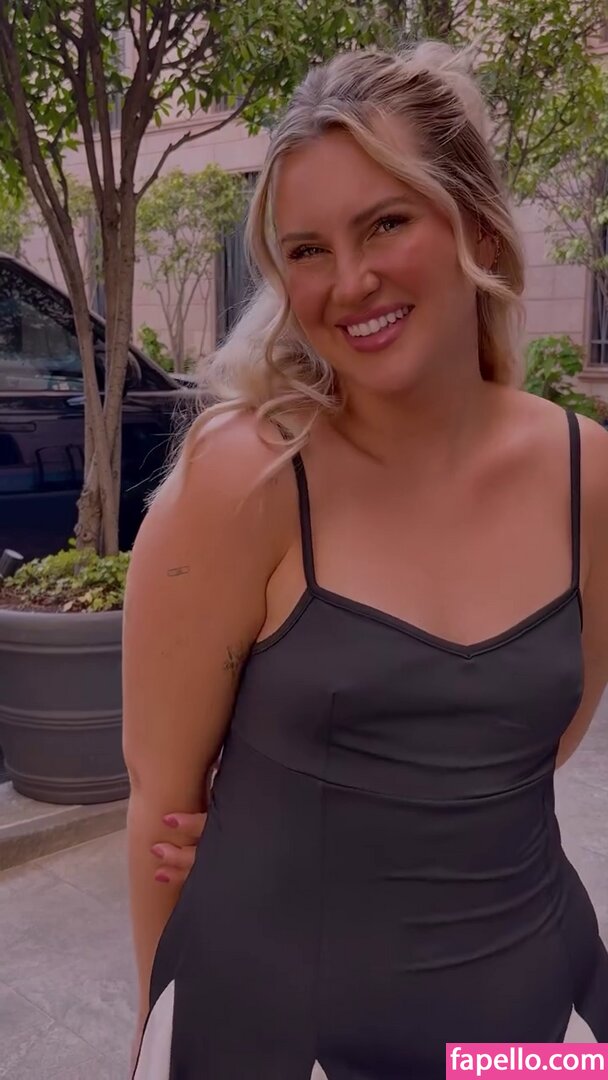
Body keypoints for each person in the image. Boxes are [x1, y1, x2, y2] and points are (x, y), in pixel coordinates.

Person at [123, 40, 608, 1080]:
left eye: (385, 223)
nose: (349, 282)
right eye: (307, 249)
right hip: (269, 1041)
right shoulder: (243, 477)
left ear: (477, 224)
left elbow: (533, 744)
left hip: (539, 1033)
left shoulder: (587, 474)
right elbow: (160, 809)